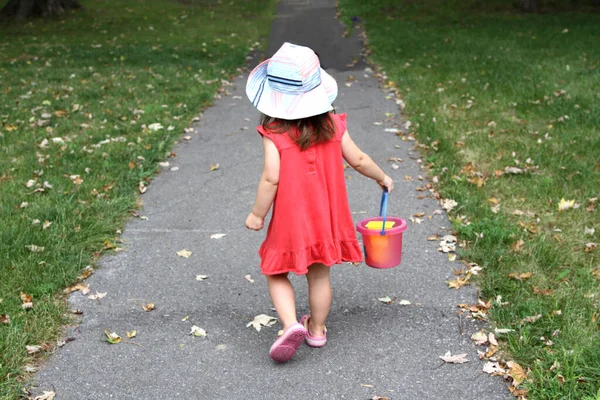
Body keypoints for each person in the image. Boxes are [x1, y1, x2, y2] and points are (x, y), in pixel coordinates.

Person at [245, 42, 393, 363]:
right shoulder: (334, 125)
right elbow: (359, 159)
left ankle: (289, 325)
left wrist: (258, 215)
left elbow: (271, 178)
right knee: (319, 275)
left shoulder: (274, 133)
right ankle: (316, 330)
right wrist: (381, 177)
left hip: (289, 220)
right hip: (326, 220)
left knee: (275, 271)